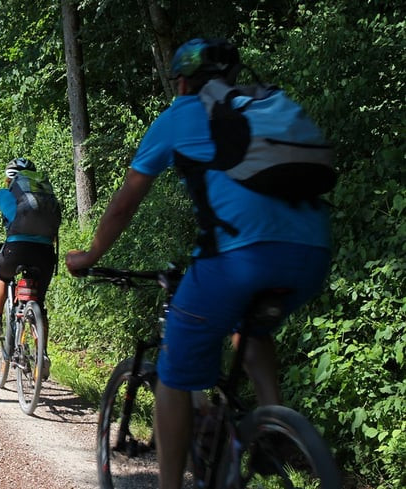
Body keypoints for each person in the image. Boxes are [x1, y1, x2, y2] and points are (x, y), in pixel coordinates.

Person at [65, 38, 331, 489]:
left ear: (183, 81)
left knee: (174, 373)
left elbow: (124, 204)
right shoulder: (266, 106)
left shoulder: (180, 116)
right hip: (312, 255)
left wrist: (89, 255)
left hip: (237, 259)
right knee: (251, 329)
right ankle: (273, 424)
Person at [0, 157, 58, 377]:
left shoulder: (4, 194)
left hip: (16, 248)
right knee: (39, 303)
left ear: (9, 177)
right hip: (45, 253)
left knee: (0, 275)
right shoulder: (46, 196)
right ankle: (41, 352)